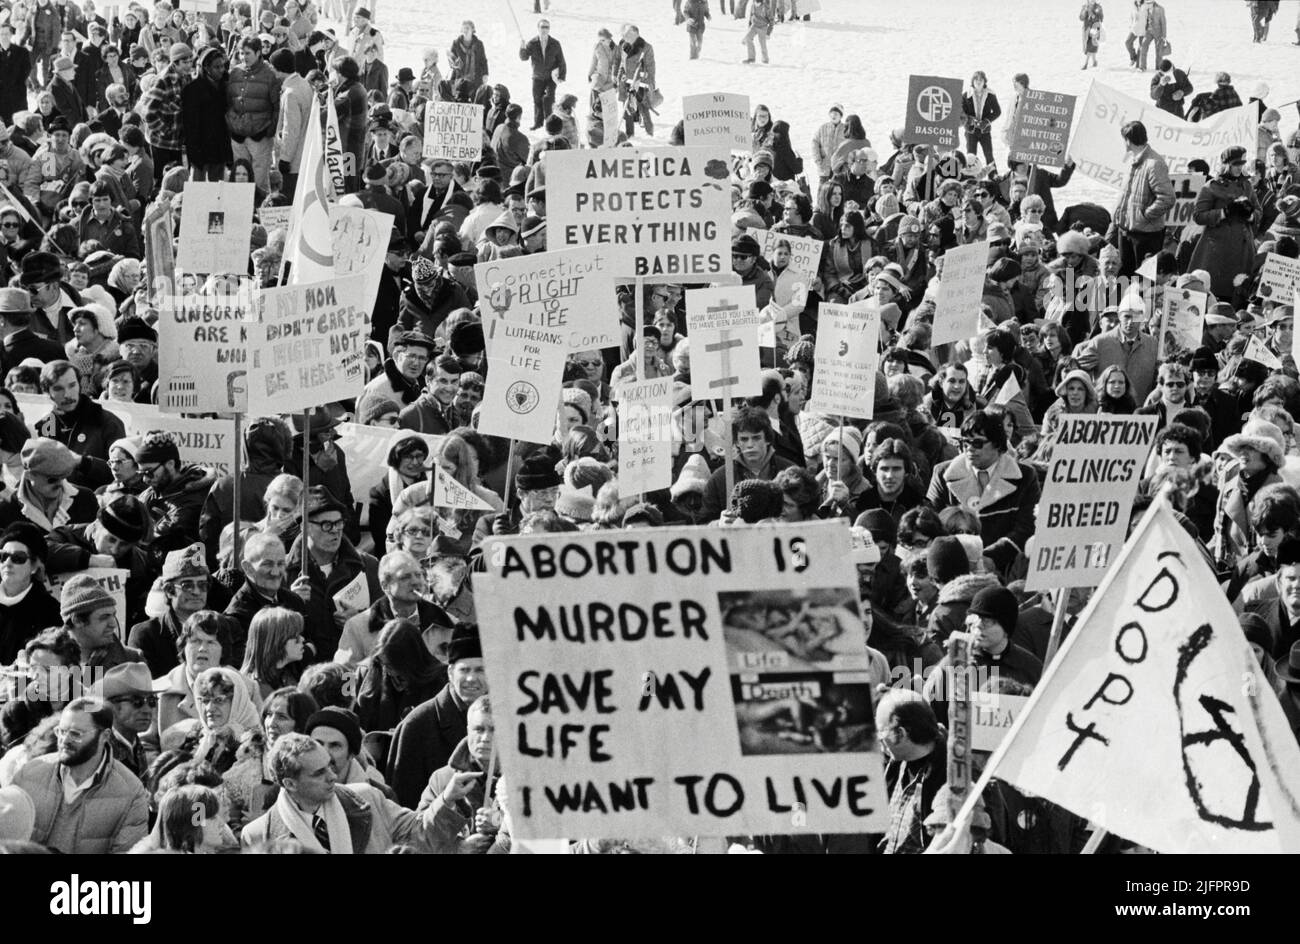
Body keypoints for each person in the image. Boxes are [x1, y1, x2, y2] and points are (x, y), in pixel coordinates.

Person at [240, 731, 440, 852]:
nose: (332, 776)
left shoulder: (366, 798)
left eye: (329, 765)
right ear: (290, 784)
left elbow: (422, 832)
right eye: (319, 773)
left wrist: (448, 800)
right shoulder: (258, 834)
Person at [13, 697, 148, 853]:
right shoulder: (29, 773)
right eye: (61, 731)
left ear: (105, 736)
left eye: (76, 734)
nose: (64, 740)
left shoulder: (131, 793)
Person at [925, 410, 1040, 576]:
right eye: (965, 442)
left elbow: (1027, 527)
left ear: (998, 445)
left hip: (1005, 569)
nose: (969, 449)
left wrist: (991, 558)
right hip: (953, 567)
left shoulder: (1025, 476)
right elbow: (932, 524)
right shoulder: (942, 473)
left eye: (977, 443)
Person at [386, 622, 485, 808]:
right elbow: (403, 810)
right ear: (450, 672)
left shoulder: (509, 719)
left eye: (480, 670)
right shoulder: (417, 725)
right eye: (464, 670)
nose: (471, 678)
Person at [284, 485, 380, 663]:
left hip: (351, 671)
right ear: (305, 526)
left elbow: (387, 621)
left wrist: (361, 621)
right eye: (326, 525)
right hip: (305, 674)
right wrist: (290, 602)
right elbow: (269, 633)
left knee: (347, 691)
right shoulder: (283, 572)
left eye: (339, 523)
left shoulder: (368, 566)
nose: (335, 530)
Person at [415, 693, 498, 854]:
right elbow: (418, 835)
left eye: (494, 730)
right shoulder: (443, 779)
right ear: (468, 731)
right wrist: (457, 848)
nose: (485, 738)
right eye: (479, 729)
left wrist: (501, 822)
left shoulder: (529, 777)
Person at [339, 550, 450, 666]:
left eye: (418, 575)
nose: (416, 581)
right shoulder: (357, 627)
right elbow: (344, 675)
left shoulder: (445, 622)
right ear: (385, 586)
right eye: (405, 577)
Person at [127, 544, 214, 676]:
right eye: (187, 586)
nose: (196, 592)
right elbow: (146, 686)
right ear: (169, 590)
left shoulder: (225, 627)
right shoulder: (146, 634)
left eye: (202, 585)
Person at [1188, 147, 1261, 301]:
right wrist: (1224, 212)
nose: (1239, 168)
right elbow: (1198, 215)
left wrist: (1249, 215)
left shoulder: (1246, 186)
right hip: (1218, 250)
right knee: (1216, 292)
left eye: (1242, 164)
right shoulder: (1211, 186)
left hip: (1243, 249)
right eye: (1236, 164)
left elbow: (1259, 211)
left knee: (1241, 294)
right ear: (1226, 164)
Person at [877, 692, 946, 854]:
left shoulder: (947, 781)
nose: (878, 739)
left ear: (900, 734)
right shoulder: (895, 763)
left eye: (881, 732)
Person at [1108, 121, 1174, 277]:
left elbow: (1167, 198)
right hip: (1127, 230)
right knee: (1124, 276)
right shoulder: (1136, 160)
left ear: (1128, 140)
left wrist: (1144, 215)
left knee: (1143, 279)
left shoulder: (1154, 164)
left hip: (1145, 234)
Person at [0, 522, 61, 666]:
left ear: (35, 566)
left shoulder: (50, 611)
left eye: (18, 558)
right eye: (3, 556)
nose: (7, 563)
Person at [225, 36, 281, 191]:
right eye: (241, 53)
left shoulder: (270, 75)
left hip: (260, 135)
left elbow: (277, 106)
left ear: (258, 52)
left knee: (260, 181)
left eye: (247, 53)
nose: (243, 57)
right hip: (238, 135)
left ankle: (260, 212)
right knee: (240, 180)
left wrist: (269, 131)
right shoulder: (235, 72)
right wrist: (231, 122)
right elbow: (229, 101)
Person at [99, 661, 154, 778]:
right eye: (137, 701)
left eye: (152, 701)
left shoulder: (135, 745)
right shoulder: (100, 752)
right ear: (111, 706)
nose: (147, 709)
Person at [519, 19, 565, 131]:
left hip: (550, 77)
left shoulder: (555, 43)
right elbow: (524, 57)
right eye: (542, 27)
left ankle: (549, 122)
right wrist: (522, 48)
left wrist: (562, 76)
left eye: (546, 27)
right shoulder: (532, 43)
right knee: (537, 100)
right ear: (538, 28)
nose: (544, 29)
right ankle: (538, 123)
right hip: (537, 77)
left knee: (549, 99)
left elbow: (561, 60)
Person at [617, 25, 655, 139]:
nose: (625, 36)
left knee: (643, 108)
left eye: (627, 34)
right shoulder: (624, 46)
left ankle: (650, 133)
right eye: (624, 34)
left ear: (635, 34)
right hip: (626, 82)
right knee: (627, 108)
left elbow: (651, 67)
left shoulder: (646, 47)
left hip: (639, 82)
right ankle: (630, 134)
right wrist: (619, 77)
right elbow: (622, 64)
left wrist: (650, 82)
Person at [961, 71, 1001, 167]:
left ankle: (993, 177)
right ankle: (971, 177)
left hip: (985, 131)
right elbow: (962, 113)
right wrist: (971, 120)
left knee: (989, 155)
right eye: (976, 79)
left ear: (984, 81)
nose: (978, 82)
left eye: (981, 79)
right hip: (971, 131)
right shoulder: (966, 95)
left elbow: (997, 111)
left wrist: (986, 121)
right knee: (971, 156)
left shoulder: (990, 95)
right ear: (972, 81)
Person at [742, 0, 775, 65]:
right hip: (754, 25)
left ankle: (765, 59)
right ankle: (751, 58)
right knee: (748, 38)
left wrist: (768, 32)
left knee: (762, 43)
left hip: (762, 27)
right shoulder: (753, 5)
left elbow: (772, 21)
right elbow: (751, 15)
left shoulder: (766, 7)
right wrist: (749, 26)